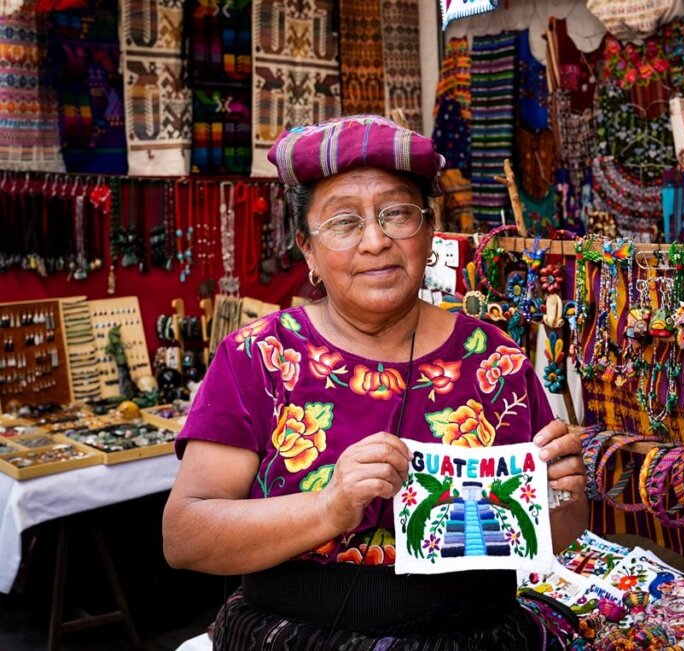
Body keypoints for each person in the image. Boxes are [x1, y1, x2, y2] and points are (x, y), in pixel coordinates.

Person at [162, 115, 588, 650]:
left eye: (397, 214)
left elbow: (556, 529)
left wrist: (564, 493)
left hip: (471, 637)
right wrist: (328, 507)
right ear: (307, 249)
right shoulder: (260, 356)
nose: (375, 240)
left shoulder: (494, 358)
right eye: (343, 222)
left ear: (429, 232)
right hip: (294, 638)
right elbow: (184, 537)